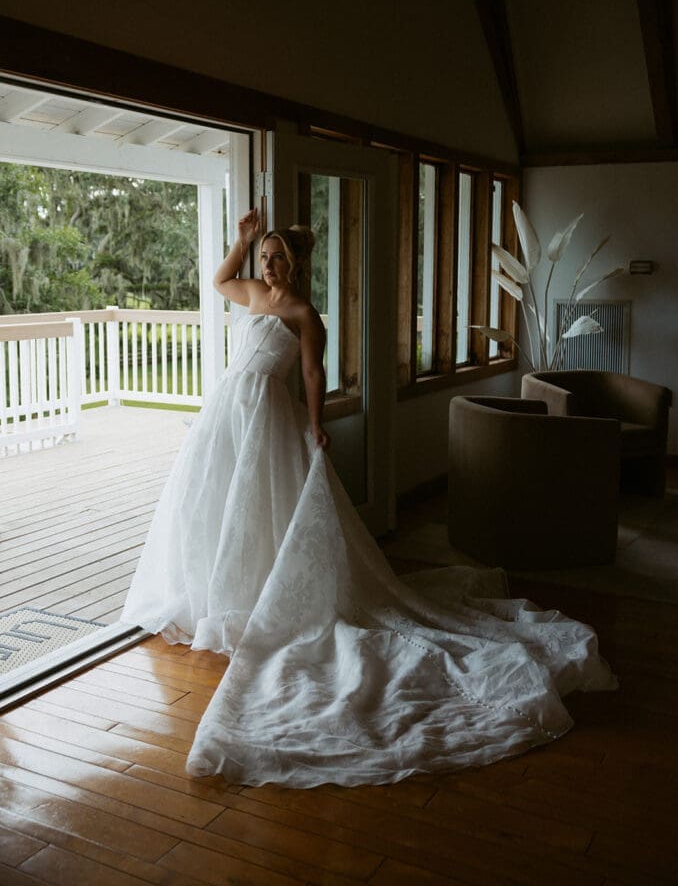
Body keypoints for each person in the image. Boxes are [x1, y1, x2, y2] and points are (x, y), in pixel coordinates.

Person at [122, 210, 617, 789]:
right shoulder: (252, 292)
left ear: (295, 265)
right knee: (220, 504)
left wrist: (316, 425)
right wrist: (241, 240)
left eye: (277, 258)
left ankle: (268, 596)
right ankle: (224, 593)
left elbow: (312, 374)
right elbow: (219, 281)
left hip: (267, 416)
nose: (268, 265)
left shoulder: (304, 314)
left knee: (265, 506)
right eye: (265, 257)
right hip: (229, 410)